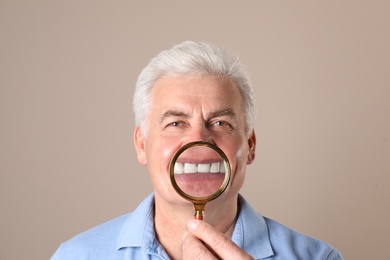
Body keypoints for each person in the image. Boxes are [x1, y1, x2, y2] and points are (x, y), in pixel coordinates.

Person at [51, 41, 343, 259]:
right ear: (142, 145)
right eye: (176, 122)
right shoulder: (75, 256)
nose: (199, 138)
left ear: (250, 146)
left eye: (220, 122)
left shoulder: (319, 258)